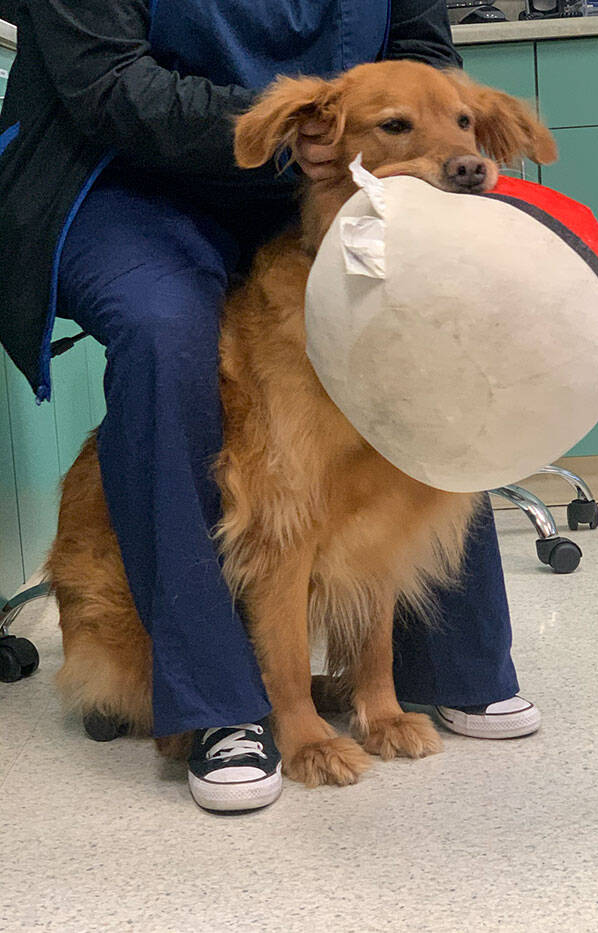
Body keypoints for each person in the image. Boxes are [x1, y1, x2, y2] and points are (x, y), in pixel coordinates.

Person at [0, 0, 540, 813]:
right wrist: (293, 132)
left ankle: (445, 668)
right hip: (124, 171)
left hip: (333, 162)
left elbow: (421, 46)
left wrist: (373, 132)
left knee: (419, 321)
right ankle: (221, 704)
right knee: (164, 329)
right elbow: (104, 82)